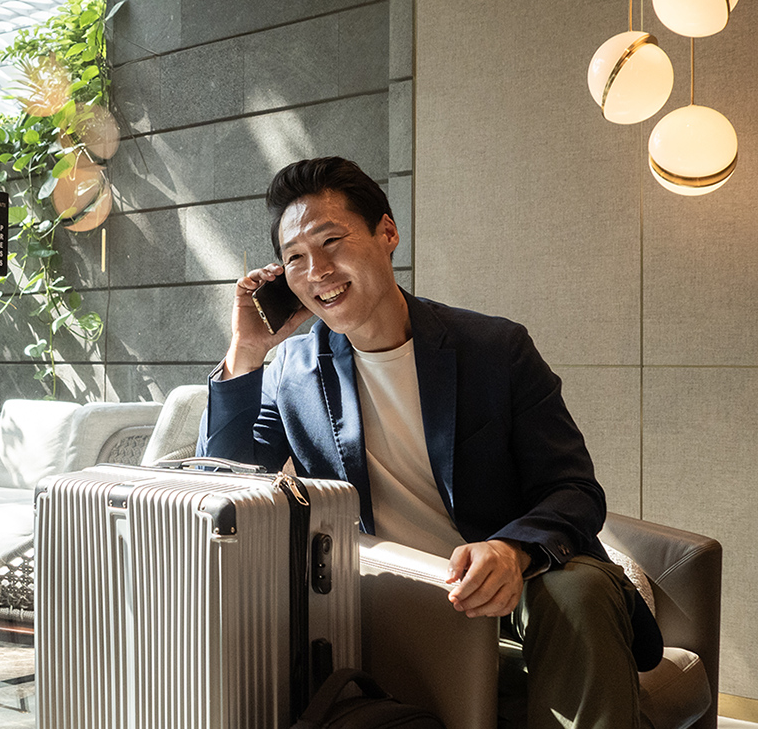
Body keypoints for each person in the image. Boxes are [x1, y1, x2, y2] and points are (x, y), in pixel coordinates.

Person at [196, 157, 662, 728]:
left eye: (332, 241)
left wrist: (510, 550)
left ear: (387, 233)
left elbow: (573, 490)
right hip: (394, 603)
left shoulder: (495, 348)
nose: (316, 270)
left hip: (523, 592)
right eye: (294, 258)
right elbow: (221, 485)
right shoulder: (291, 369)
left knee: (580, 592)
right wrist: (246, 353)